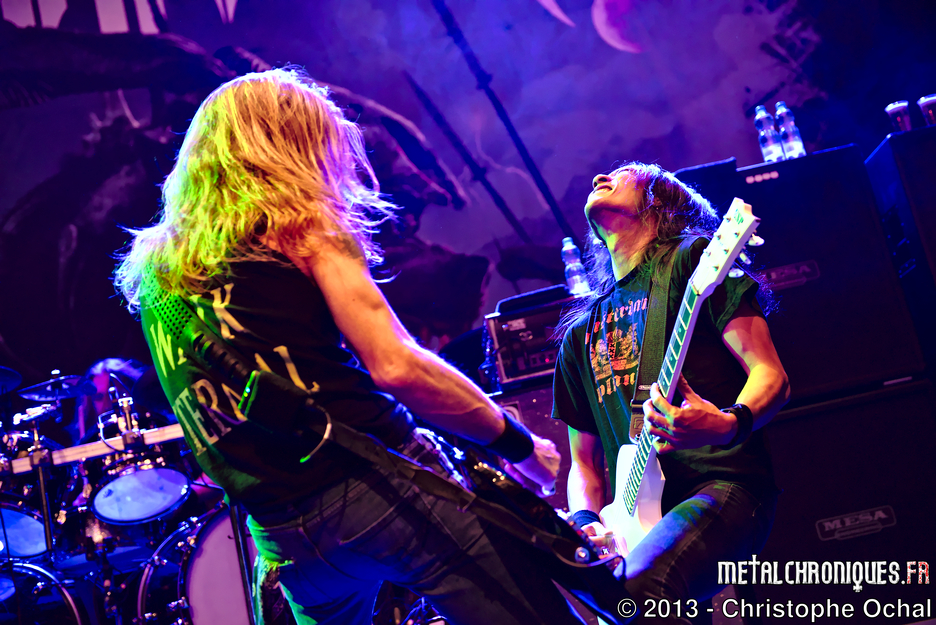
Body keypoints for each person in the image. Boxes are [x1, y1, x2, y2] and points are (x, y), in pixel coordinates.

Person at [115, 68, 589, 625]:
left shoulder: (158, 274)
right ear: (291, 145)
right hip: (376, 483)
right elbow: (396, 365)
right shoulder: (299, 225)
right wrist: (518, 444)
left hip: (282, 535)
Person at [552, 163, 790, 623]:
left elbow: (771, 374)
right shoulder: (580, 335)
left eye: (624, 173)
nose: (600, 177)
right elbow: (584, 464)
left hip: (721, 485)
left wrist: (727, 423)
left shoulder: (693, 261)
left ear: (658, 202)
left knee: (641, 588)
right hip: (633, 522)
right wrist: (586, 523)